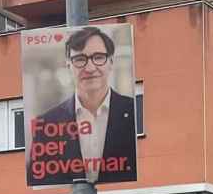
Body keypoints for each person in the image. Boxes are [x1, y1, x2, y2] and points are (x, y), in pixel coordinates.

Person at [29, 26, 137, 184]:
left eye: (98, 57)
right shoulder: (45, 125)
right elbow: (39, 181)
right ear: (68, 65)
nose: (90, 68)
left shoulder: (134, 112)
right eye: (80, 59)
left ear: (111, 62)